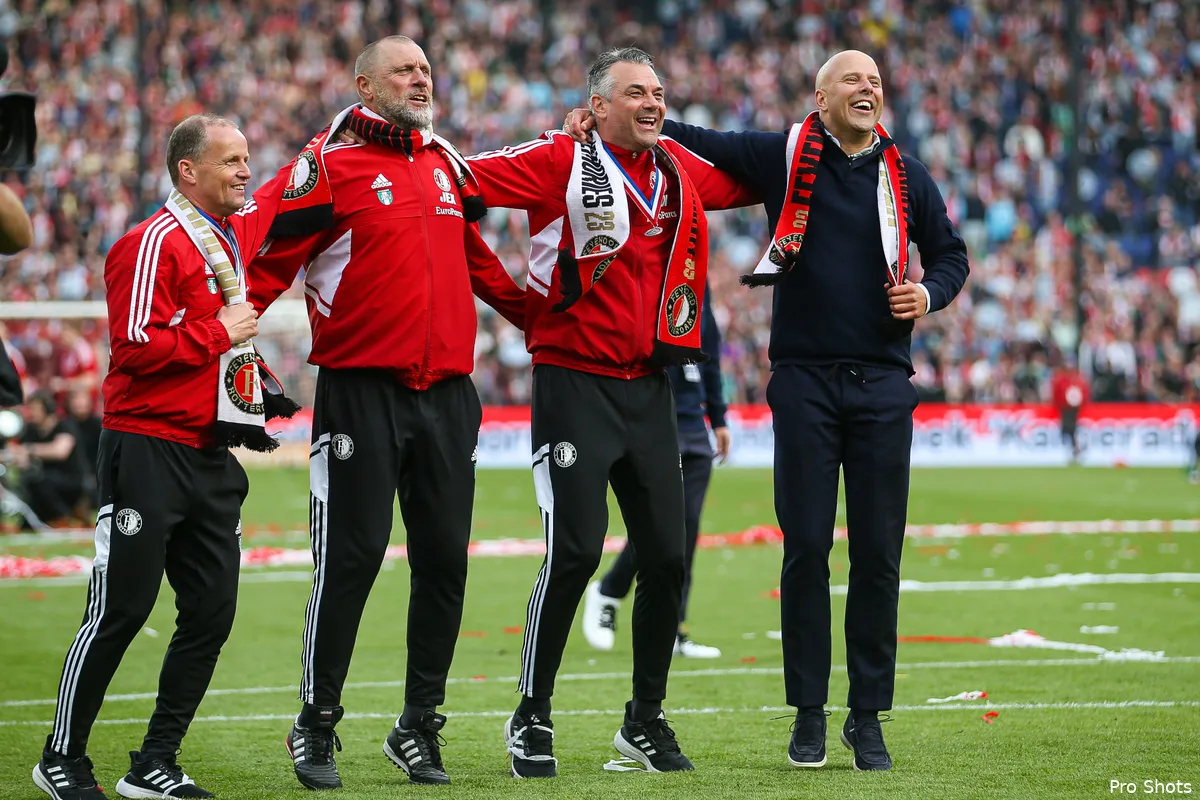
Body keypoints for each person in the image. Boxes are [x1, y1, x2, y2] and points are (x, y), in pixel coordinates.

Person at [566, 48, 969, 771]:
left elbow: (951, 254)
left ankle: (867, 717)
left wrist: (929, 293)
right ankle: (809, 714)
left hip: (883, 382)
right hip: (804, 382)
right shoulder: (784, 155)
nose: (868, 88)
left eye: (875, 81)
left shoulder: (907, 174)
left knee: (878, 556)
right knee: (806, 549)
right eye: (853, 79)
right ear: (821, 98)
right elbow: (699, 139)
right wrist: (609, 125)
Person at [465, 46, 757, 777]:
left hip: (651, 387)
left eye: (659, 92)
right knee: (575, 551)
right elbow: (456, 179)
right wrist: (514, 301)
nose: (653, 103)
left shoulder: (677, 171)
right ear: (596, 107)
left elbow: (754, 178)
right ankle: (531, 714)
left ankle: (644, 721)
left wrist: (818, 152)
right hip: (573, 382)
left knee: (667, 556)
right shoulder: (558, 159)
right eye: (636, 93)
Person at [246, 36, 526, 790]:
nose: (421, 79)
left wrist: (542, 320)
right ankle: (315, 724)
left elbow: (480, 263)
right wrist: (227, 340)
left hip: (450, 395)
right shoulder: (328, 168)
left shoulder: (445, 164)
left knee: (444, 563)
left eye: (426, 69)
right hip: (360, 393)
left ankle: (418, 726)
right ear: (364, 84)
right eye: (404, 70)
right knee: (350, 560)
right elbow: (265, 267)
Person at [32, 113, 289, 800]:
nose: (245, 171)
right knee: (119, 610)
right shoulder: (150, 242)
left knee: (212, 613)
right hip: (146, 449)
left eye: (246, 158)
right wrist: (219, 331)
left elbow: (282, 193)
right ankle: (61, 757)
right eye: (231, 160)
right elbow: (136, 348)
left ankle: (155, 763)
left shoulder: (227, 238)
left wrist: (344, 132)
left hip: (209, 453)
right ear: (188, 170)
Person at [581, 291, 730, 659]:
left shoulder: (697, 278)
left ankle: (672, 627)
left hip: (695, 425)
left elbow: (710, 353)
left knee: (686, 529)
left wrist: (719, 417)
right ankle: (610, 590)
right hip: (658, 416)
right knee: (663, 527)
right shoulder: (650, 271)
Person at [8, 393, 87, 527]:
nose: (31, 413)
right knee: (26, 481)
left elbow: (60, 451)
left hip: (69, 479)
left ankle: (62, 517)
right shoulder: (30, 430)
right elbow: (21, 454)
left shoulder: (64, 425)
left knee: (42, 481)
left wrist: (29, 450)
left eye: (34, 409)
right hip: (43, 477)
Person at [1051, 355, 1089, 464]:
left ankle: (1076, 448)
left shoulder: (1078, 378)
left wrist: (1081, 403)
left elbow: (1083, 392)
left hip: (1074, 408)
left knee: (1071, 428)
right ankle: (1074, 448)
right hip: (1064, 408)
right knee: (1067, 428)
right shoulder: (1061, 378)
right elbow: (1057, 392)